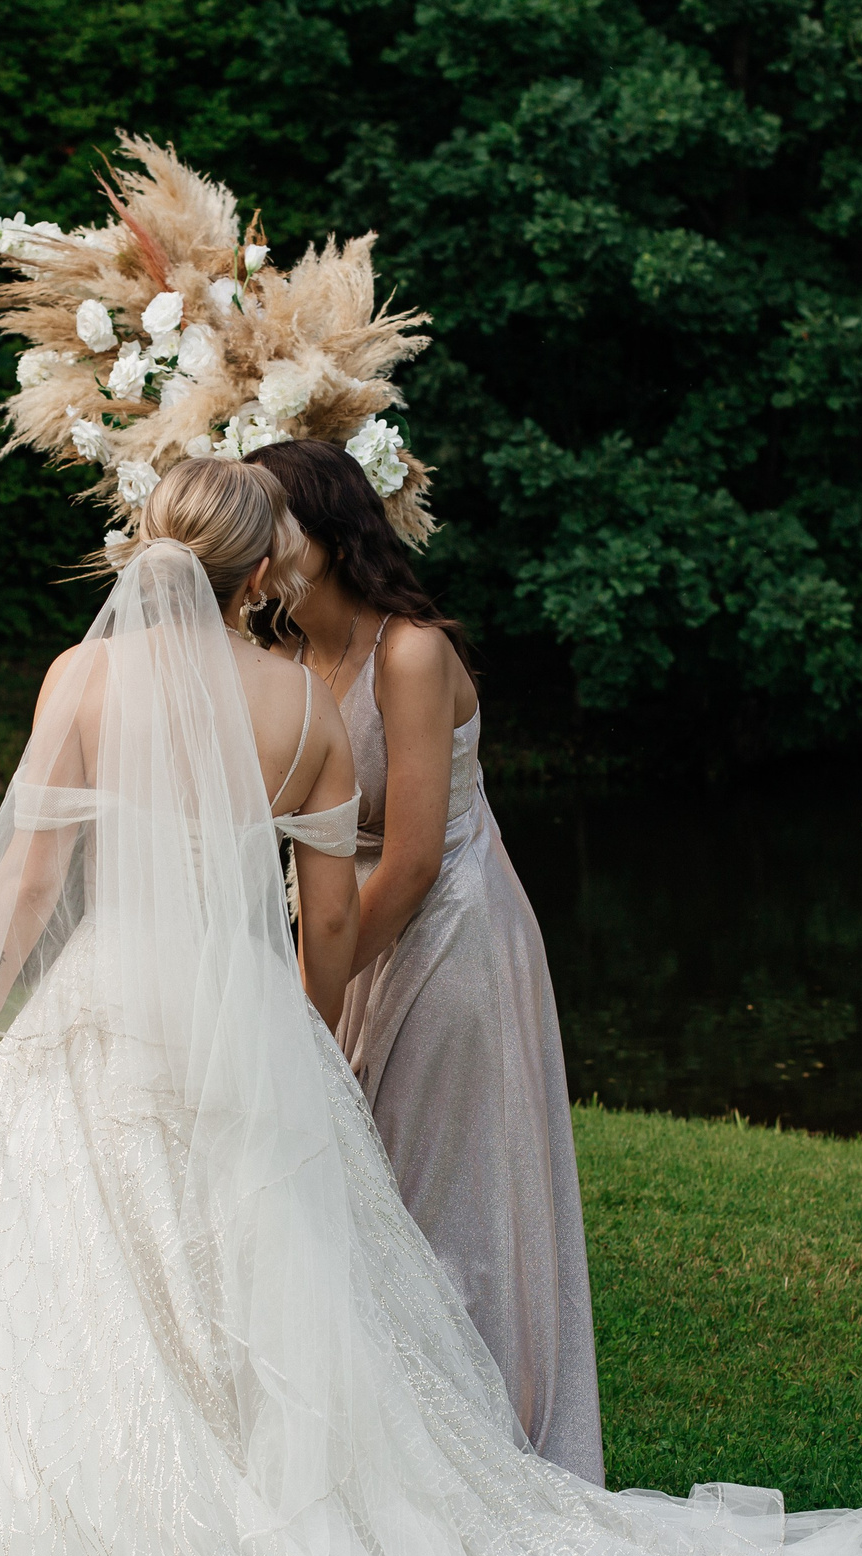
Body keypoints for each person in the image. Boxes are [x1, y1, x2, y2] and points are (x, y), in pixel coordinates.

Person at [0, 458, 862, 1556]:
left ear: (147, 548)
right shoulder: (303, 709)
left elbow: (31, 878)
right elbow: (321, 931)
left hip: (99, 1008)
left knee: (76, 1267)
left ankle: (72, 1523)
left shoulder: (79, 679)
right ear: (261, 572)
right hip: (243, 1012)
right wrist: (294, 1047)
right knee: (267, 1289)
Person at [246, 435, 603, 1483]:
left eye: (273, 521)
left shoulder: (409, 652)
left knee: (443, 1193)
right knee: (363, 1196)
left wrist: (313, 987)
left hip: (445, 936)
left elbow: (405, 860)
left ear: (328, 530)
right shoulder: (286, 657)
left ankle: (488, 1453)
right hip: (336, 932)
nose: (256, 545)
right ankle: (387, 1462)